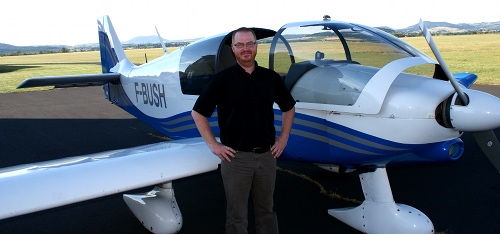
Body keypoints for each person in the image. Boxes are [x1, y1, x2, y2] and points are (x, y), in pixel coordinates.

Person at [191, 27, 296, 233]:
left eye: (250, 44)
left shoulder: (270, 78)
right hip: (236, 159)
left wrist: (283, 138)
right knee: (237, 216)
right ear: (233, 49)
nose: (245, 49)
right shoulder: (221, 80)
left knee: (267, 212)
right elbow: (198, 113)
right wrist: (214, 145)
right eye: (240, 45)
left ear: (256, 46)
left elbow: (289, 107)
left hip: (267, 157)